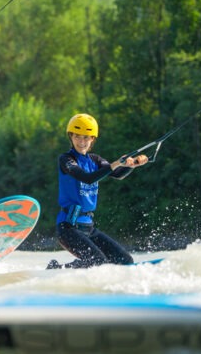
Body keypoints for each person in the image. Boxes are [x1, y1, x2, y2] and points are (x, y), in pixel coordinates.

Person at [47, 113, 149, 269]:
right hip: (68, 228)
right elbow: (87, 178)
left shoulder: (95, 159)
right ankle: (57, 269)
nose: (82, 142)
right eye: (78, 137)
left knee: (125, 261)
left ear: (92, 139)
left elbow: (116, 174)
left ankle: (63, 268)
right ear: (71, 136)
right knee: (98, 262)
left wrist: (132, 165)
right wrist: (116, 163)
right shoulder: (66, 159)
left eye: (86, 138)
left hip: (89, 228)